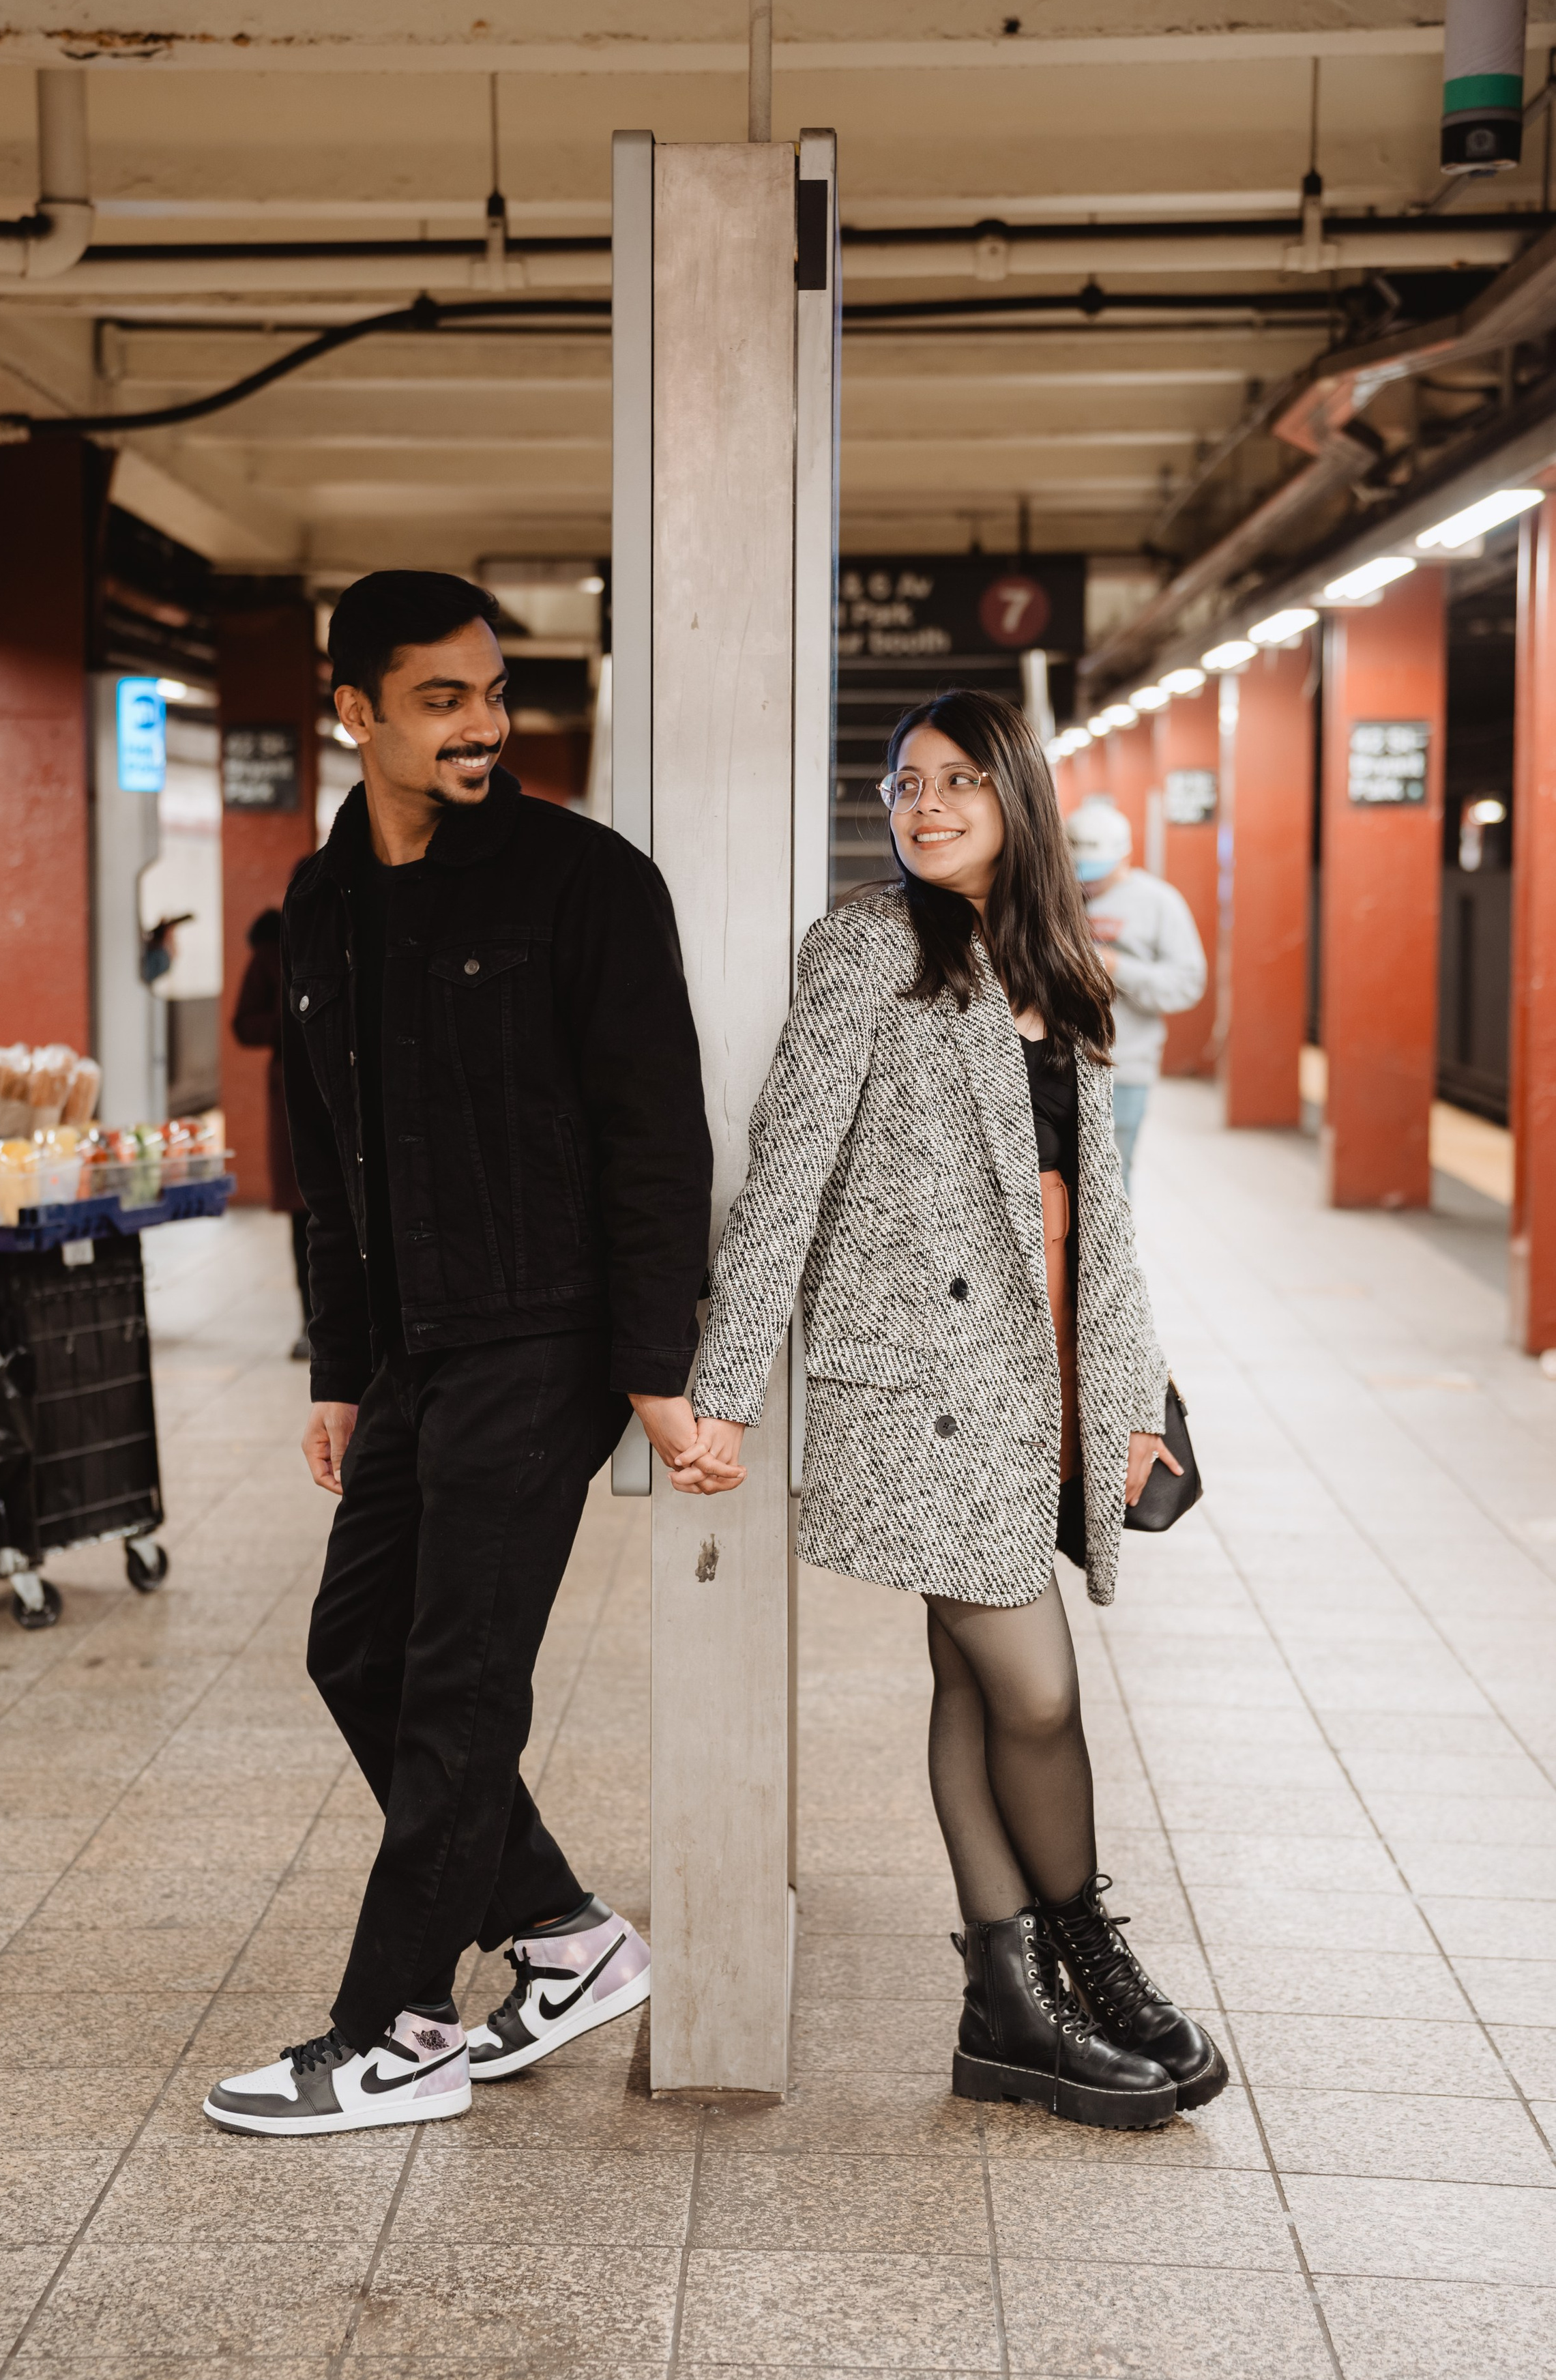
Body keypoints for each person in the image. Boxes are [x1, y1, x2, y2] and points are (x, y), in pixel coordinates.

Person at [671, 691, 1227, 2129]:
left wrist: (1135, 1392)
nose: (922, 806)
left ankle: (1015, 2003)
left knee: (972, 1681)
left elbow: (1098, 1225)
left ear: (1017, 799)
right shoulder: (869, 948)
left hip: (1044, 1370)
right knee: (1031, 1686)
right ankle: (1074, 1957)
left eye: (957, 783)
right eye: (905, 784)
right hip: (926, 1391)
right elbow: (784, 1171)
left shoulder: (1058, 962)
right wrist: (721, 1390)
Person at [203, 570, 714, 2137]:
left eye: (492, 691)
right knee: (355, 1648)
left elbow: (654, 1139)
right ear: (353, 709)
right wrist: (339, 1370)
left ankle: (399, 2023)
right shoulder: (326, 904)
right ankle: (562, 1934)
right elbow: (328, 1158)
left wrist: (650, 1363)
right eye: (442, 697)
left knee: (456, 1681)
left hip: (543, 1336)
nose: (483, 723)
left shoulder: (582, 883)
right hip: (418, 1343)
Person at [1061, 798, 1206, 1190]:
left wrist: (1117, 969)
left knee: (1109, 1183)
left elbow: (1187, 983)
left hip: (1123, 1067)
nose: (1086, 881)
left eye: (1095, 872)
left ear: (1123, 855)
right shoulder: (1056, 894)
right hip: (1055, 1063)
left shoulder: (1159, 903)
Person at [229, 906, 312, 1363]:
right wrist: (295, 1017)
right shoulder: (272, 951)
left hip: (359, 1094)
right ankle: (313, 1324)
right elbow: (244, 1023)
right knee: (308, 1219)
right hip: (295, 1097)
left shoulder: (365, 927)